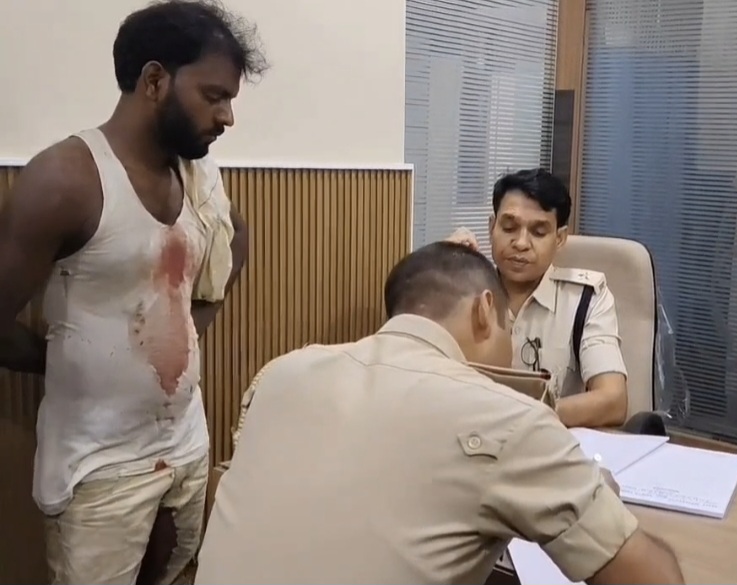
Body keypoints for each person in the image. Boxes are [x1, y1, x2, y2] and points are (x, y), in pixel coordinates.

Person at [195, 241, 684, 584]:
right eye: (507, 327)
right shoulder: (507, 416)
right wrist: (598, 499)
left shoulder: (281, 373)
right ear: (484, 311)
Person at [0, 1, 266, 582]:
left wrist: (186, 331)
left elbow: (234, 241)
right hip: (99, 468)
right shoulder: (65, 179)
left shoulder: (199, 178)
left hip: (186, 445)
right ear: (154, 80)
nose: (226, 117)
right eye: (214, 96)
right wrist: (62, 358)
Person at [447, 169, 629, 429]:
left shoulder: (585, 299)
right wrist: (439, 269)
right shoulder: (463, 290)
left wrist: (520, 416)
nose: (521, 243)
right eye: (509, 227)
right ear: (491, 227)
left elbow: (613, 401)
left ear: (560, 238)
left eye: (538, 232)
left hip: (550, 441)